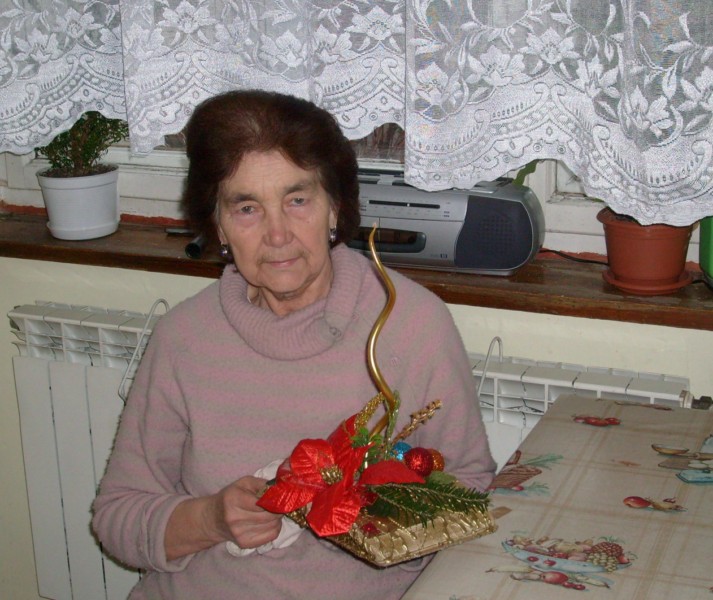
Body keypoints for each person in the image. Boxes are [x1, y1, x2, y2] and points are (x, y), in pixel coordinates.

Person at [91, 90, 496, 599]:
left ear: (335, 208)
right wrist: (211, 518)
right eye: (247, 208)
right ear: (218, 225)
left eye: (297, 200)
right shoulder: (184, 338)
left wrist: (372, 511)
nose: (277, 234)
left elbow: (470, 488)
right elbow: (117, 517)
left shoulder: (411, 324)